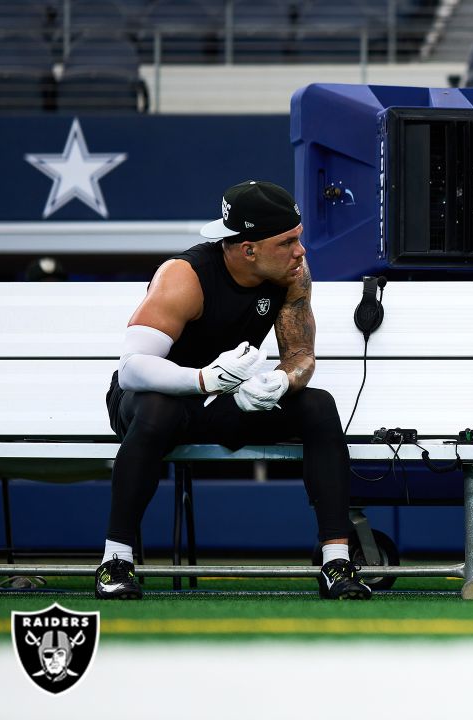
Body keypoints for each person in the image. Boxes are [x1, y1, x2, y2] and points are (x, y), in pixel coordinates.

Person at [94, 180, 370, 601]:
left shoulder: (292, 273)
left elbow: (300, 355)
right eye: (288, 242)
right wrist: (203, 379)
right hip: (161, 399)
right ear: (248, 249)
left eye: (299, 237)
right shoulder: (184, 276)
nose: (302, 251)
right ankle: (116, 562)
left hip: (225, 399)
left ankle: (336, 561)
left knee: (318, 406)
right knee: (156, 412)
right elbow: (132, 370)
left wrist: (279, 382)